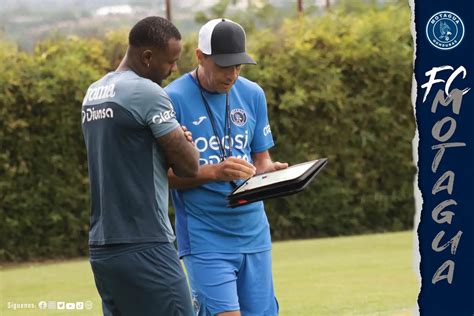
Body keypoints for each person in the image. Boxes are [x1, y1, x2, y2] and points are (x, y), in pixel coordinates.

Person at [165, 18, 288, 316]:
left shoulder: (253, 94)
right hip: (204, 237)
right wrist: (214, 172)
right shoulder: (172, 98)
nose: (232, 74)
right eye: (223, 66)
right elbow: (164, 176)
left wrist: (272, 173)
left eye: (238, 66)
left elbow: (261, 161)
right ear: (200, 57)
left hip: (254, 233)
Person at [81, 16, 199, 316]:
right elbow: (189, 166)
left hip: (103, 248)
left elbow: (129, 148)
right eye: (170, 62)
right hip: (146, 242)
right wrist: (182, 142)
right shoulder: (147, 92)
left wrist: (166, 142)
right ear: (147, 57)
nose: (173, 70)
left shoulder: (93, 94)